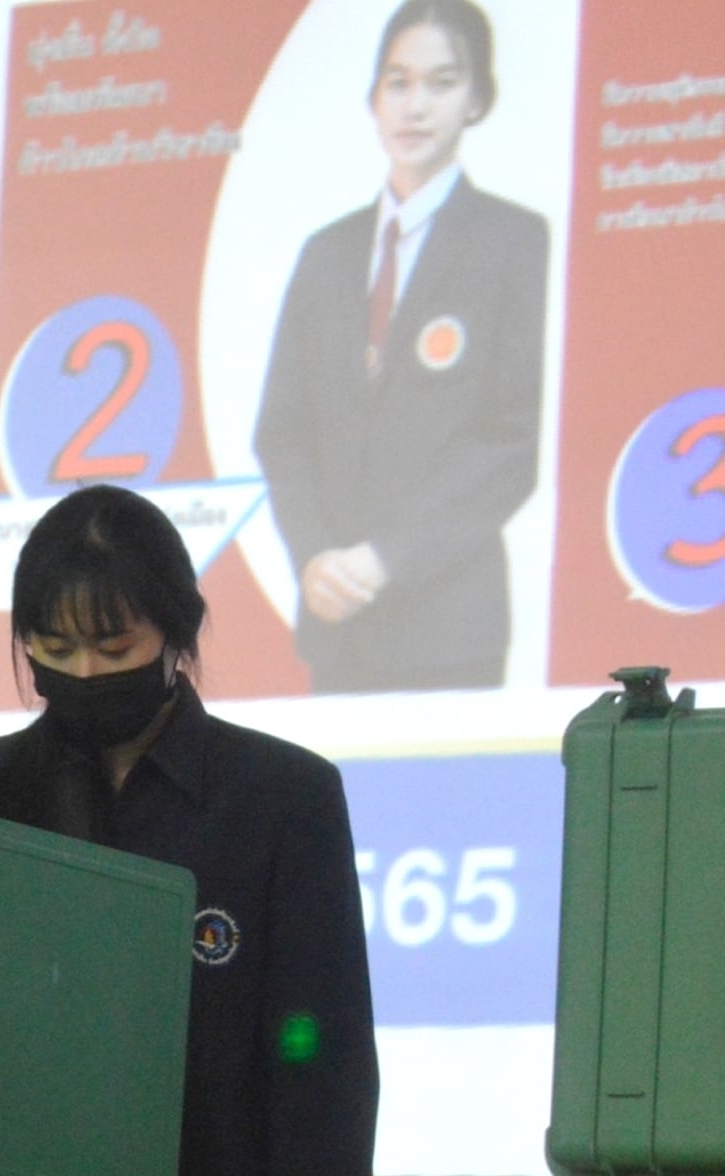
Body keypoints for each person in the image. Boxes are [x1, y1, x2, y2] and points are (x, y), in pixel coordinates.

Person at [0, 486, 378, 1176]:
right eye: (54, 648)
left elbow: (320, 1084)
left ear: (178, 631)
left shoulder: (282, 799)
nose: (86, 674)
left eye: (114, 645)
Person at [255, 0, 546, 695]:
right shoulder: (326, 253)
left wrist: (389, 558)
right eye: (398, 81)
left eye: (442, 82)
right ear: (373, 97)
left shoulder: (515, 242)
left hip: (450, 626)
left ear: (478, 98)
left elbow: (517, 439)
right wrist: (316, 556)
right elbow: (283, 432)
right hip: (338, 628)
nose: (416, 105)